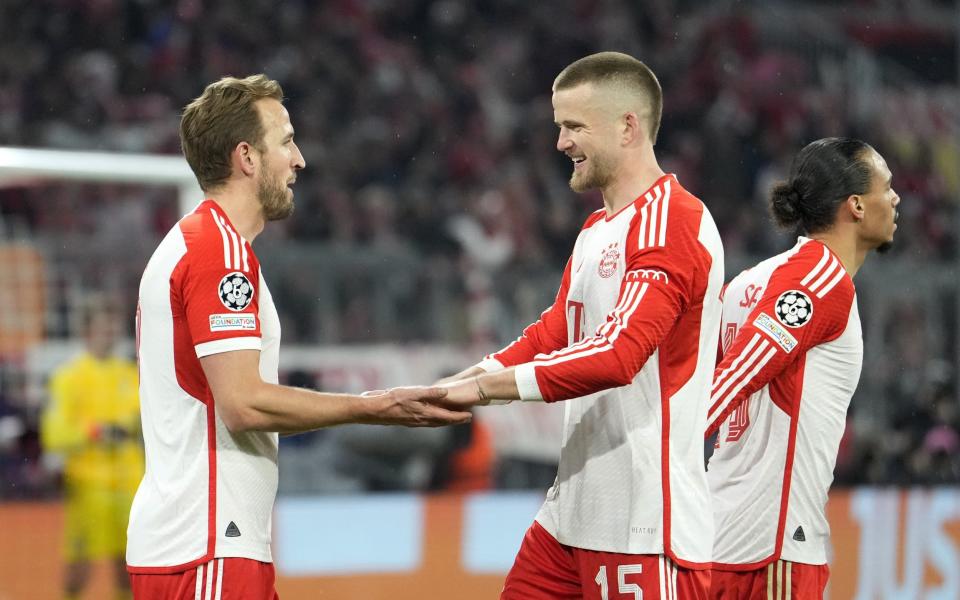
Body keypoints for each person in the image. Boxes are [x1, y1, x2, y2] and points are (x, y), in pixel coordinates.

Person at [126, 74, 471, 599]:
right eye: (285, 141)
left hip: (201, 542)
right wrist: (373, 408)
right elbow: (245, 405)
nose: (300, 159)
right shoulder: (218, 253)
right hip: (208, 546)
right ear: (246, 156)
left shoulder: (200, 242)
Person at [439, 51, 724, 599]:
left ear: (627, 128)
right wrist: (458, 386)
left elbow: (618, 355)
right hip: (570, 517)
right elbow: (554, 333)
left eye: (573, 127)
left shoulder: (673, 223)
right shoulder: (597, 228)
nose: (560, 143)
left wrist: (485, 389)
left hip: (642, 524)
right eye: (559, 126)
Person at [704, 138, 900, 599]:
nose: (895, 198)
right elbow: (739, 373)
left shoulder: (749, 281)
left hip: (720, 535)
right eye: (886, 187)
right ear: (854, 205)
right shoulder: (823, 279)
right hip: (769, 551)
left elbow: (701, 376)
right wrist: (661, 459)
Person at [42, 305, 143, 600]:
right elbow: (55, 433)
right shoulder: (69, 377)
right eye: (102, 329)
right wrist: (96, 431)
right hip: (88, 484)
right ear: (87, 333)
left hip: (128, 483)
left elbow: (146, 422)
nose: (108, 335)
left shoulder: (130, 373)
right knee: (78, 568)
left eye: (112, 328)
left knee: (128, 565)